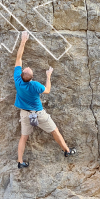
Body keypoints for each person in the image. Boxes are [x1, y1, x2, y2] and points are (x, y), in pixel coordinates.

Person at [13, 31, 76, 169]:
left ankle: (20, 161)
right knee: (54, 130)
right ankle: (67, 150)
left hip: (24, 113)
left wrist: (23, 41)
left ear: (22, 74)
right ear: (31, 77)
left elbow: (19, 58)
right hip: (38, 113)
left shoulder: (17, 80)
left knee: (24, 137)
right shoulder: (35, 85)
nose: (27, 66)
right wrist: (48, 76)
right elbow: (47, 90)